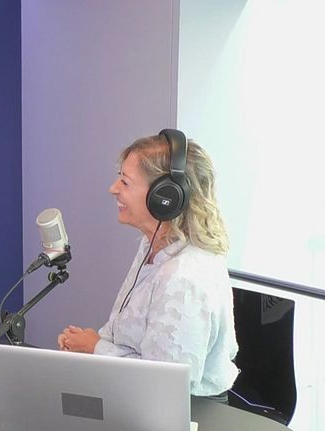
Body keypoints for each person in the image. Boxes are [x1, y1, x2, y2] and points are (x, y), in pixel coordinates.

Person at [57, 130, 238, 399]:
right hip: (134, 395)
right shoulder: (152, 245)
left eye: (125, 182)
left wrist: (95, 348)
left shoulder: (183, 278)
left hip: (183, 409)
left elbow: (163, 387)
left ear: (165, 197)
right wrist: (90, 344)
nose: (113, 188)